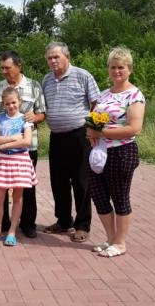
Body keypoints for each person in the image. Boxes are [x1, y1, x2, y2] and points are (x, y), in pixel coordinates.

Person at [86, 47, 145, 257]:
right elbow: (92, 120)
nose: (117, 71)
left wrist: (101, 133)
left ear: (129, 69)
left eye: (121, 67)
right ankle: (110, 237)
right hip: (99, 152)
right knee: (99, 196)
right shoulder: (104, 94)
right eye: (113, 67)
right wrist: (90, 131)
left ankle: (120, 242)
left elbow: (134, 128)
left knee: (119, 197)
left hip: (122, 152)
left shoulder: (134, 95)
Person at [41, 41, 100, 242]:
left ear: (68, 56)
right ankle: (64, 220)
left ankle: (82, 225)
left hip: (80, 135)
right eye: (49, 58)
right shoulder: (47, 80)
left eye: (56, 57)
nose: (53, 61)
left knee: (81, 181)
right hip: (57, 136)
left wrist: (94, 131)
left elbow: (96, 104)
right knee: (58, 181)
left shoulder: (83, 76)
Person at [0, 51, 45, 239]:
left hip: (26, 149)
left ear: (19, 66)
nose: (3, 71)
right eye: (1, 68)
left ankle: (27, 224)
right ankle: (2, 224)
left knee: (26, 189)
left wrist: (36, 117)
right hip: (1, 152)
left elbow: (42, 113)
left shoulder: (34, 86)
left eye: (7, 68)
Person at [0, 88, 38, 247]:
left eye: (14, 102)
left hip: (20, 160)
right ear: (3, 105)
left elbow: (26, 141)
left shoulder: (25, 119)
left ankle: (12, 231)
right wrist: (13, 139)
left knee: (18, 197)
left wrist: (3, 145)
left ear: (19, 102)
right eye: (7, 103)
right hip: (4, 161)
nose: (11, 106)